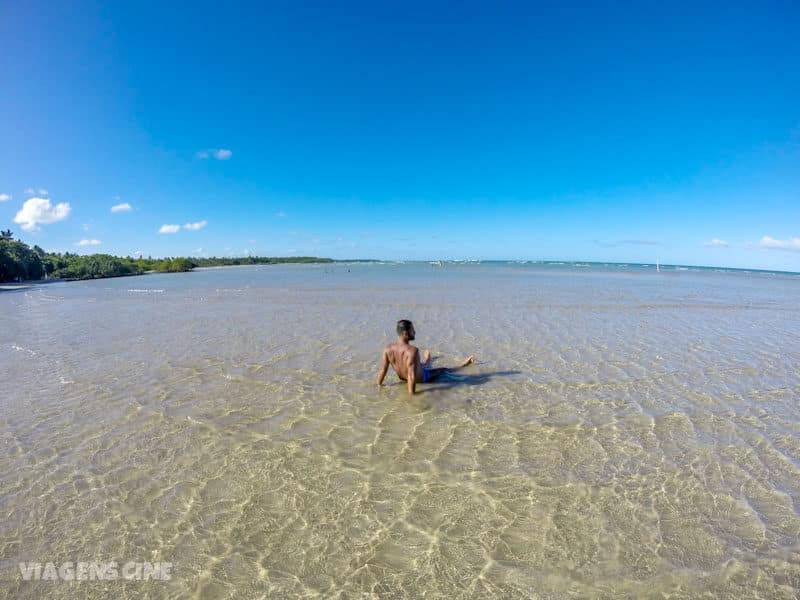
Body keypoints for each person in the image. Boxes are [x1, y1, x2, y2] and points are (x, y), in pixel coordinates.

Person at [376, 319, 475, 394]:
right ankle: (464, 365)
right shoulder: (412, 351)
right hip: (421, 378)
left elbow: (382, 370)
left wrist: (378, 385)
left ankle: (428, 360)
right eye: (412, 330)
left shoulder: (388, 348)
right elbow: (411, 376)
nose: (414, 332)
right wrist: (412, 396)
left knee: (421, 365)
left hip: (403, 378)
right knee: (443, 370)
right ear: (406, 334)